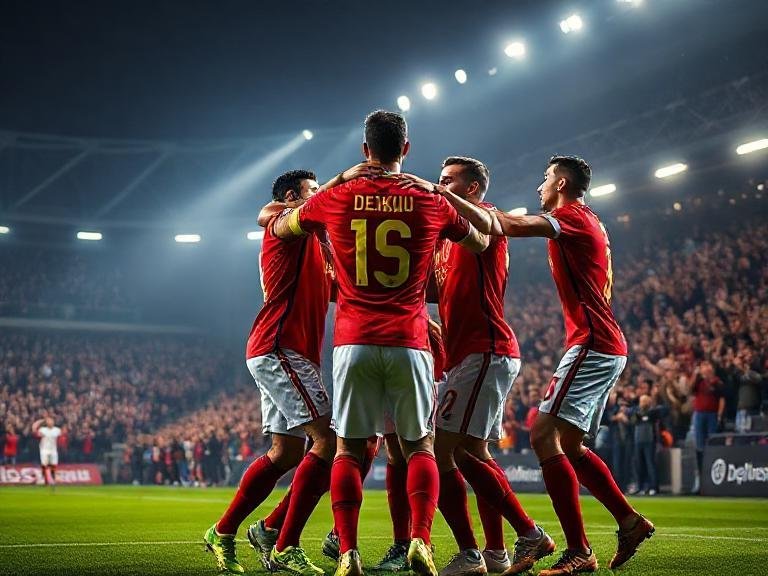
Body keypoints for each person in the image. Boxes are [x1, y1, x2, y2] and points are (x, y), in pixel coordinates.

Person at [401, 155, 654, 575]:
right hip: (584, 342)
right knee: (561, 445)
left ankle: (561, 546)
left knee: (536, 434)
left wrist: (440, 195)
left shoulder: (573, 216)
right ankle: (624, 522)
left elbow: (508, 225)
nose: (541, 186)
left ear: (564, 183)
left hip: (590, 342)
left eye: (546, 178)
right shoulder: (451, 243)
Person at [272, 109, 488, 576]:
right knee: (420, 448)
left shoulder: (339, 197)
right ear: (405, 150)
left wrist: (338, 180)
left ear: (365, 150)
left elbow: (281, 226)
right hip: (411, 340)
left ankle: (347, 552)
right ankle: (421, 541)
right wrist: (437, 192)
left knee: (348, 449)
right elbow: (482, 241)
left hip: (352, 341)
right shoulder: (430, 199)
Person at [204, 165, 377, 575]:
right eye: (311, 190)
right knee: (331, 443)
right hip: (279, 348)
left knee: (286, 453)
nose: (320, 196)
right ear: (289, 199)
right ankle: (285, 543)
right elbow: (268, 213)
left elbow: (352, 291)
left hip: (286, 353)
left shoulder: (318, 247)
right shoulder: (283, 229)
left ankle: (226, 531)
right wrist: (343, 181)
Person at [429, 157, 554, 576]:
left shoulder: (488, 219)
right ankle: (498, 552)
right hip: (471, 354)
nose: (439, 184)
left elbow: (487, 225)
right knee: (475, 452)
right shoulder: (448, 241)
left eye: (448, 180)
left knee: (443, 449)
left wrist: (441, 197)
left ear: (473, 188)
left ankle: (502, 542)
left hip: (486, 350)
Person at [689, 360, 724, 491]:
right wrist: (695, 374)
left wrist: (720, 415)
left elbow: (722, 398)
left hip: (712, 415)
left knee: (712, 444)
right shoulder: (698, 382)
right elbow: (690, 389)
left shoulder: (717, 382)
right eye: (703, 365)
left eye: (707, 365)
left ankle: (712, 478)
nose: (705, 368)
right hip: (699, 414)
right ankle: (699, 479)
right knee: (699, 446)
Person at [32, 416, 61, 488]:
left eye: (51, 421)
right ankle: (46, 481)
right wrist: (40, 421)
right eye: (48, 421)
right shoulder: (42, 430)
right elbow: (34, 430)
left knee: (53, 465)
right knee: (44, 465)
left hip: (53, 450)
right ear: (46, 423)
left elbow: (61, 438)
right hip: (44, 450)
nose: (50, 422)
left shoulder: (57, 430)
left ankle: (53, 481)